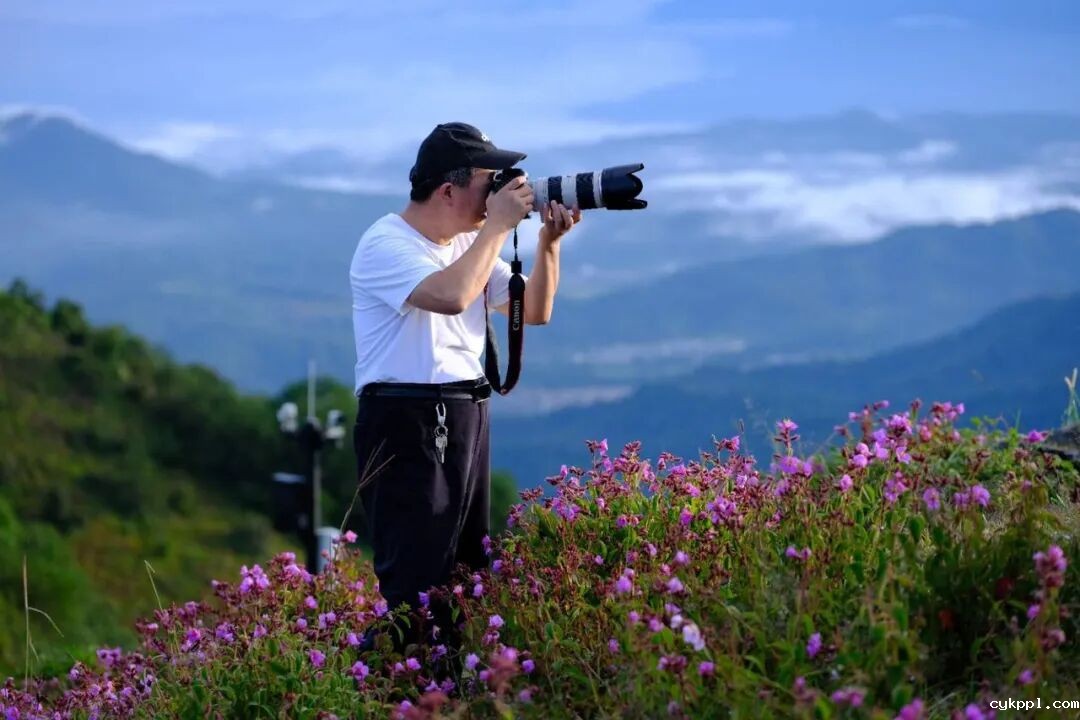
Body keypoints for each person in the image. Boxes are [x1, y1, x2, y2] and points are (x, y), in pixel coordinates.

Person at [349, 122, 581, 657]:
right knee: (416, 577)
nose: (499, 191)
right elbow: (453, 296)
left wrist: (548, 242)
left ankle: (443, 688)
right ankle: (392, 683)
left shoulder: (464, 244)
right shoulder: (385, 243)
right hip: (406, 421)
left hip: (464, 414)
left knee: (464, 573)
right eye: (487, 180)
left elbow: (536, 309)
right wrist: (496, 229)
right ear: (448, 189)